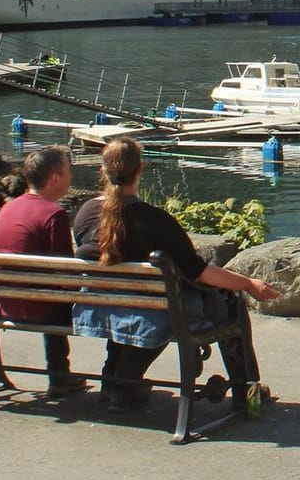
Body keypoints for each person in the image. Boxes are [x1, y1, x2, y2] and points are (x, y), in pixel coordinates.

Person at [72, 137, 281, 410]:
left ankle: (117, 382)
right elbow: (199, 272)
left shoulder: (85, 214)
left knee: (131, 301)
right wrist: (248, 283)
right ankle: (246, 392)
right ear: (140, 170)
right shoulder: (155, 221)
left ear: (103, 170)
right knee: (232, 304)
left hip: (103, 307)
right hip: (158, 312)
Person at [0, 146, 82, 395]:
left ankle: (60, 375)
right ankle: (116, 380)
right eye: (68, 172)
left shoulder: (7, 208)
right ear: (54, 179)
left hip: (7, 303)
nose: (70, 177)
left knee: (50, 292)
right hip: (40, 308)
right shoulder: (55, 215)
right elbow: (66, 273)